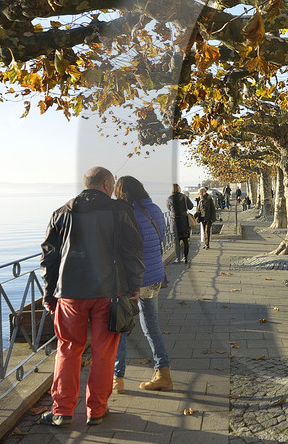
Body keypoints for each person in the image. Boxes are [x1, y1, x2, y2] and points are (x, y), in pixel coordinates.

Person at [38, 167, 144, 428]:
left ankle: (61, 411)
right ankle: (96, 410)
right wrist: (134, 286)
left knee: (67, 349)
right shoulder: (120, 211)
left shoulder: (62, 212)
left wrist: (49, 293)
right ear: (107, 184)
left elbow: (49, 257)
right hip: (110, 292)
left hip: (70, 293)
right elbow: (132, 251)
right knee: (104, 352)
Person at [113, 177, 173, 393]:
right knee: (151, 326)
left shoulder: (125, 213)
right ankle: (163, 373)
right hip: (155, 275)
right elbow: (162, 236)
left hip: (133, 280)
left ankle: (117, 379)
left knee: (120, 327)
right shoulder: (155, 209)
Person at [167, 183, 194, 265]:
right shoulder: (184, 197)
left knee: (177, 242)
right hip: (184, 222)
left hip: (175, 222)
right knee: (185, 241)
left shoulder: (170, 198)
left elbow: (168, 208)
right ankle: (186, 258)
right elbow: (191, 206)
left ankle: (178, 259)